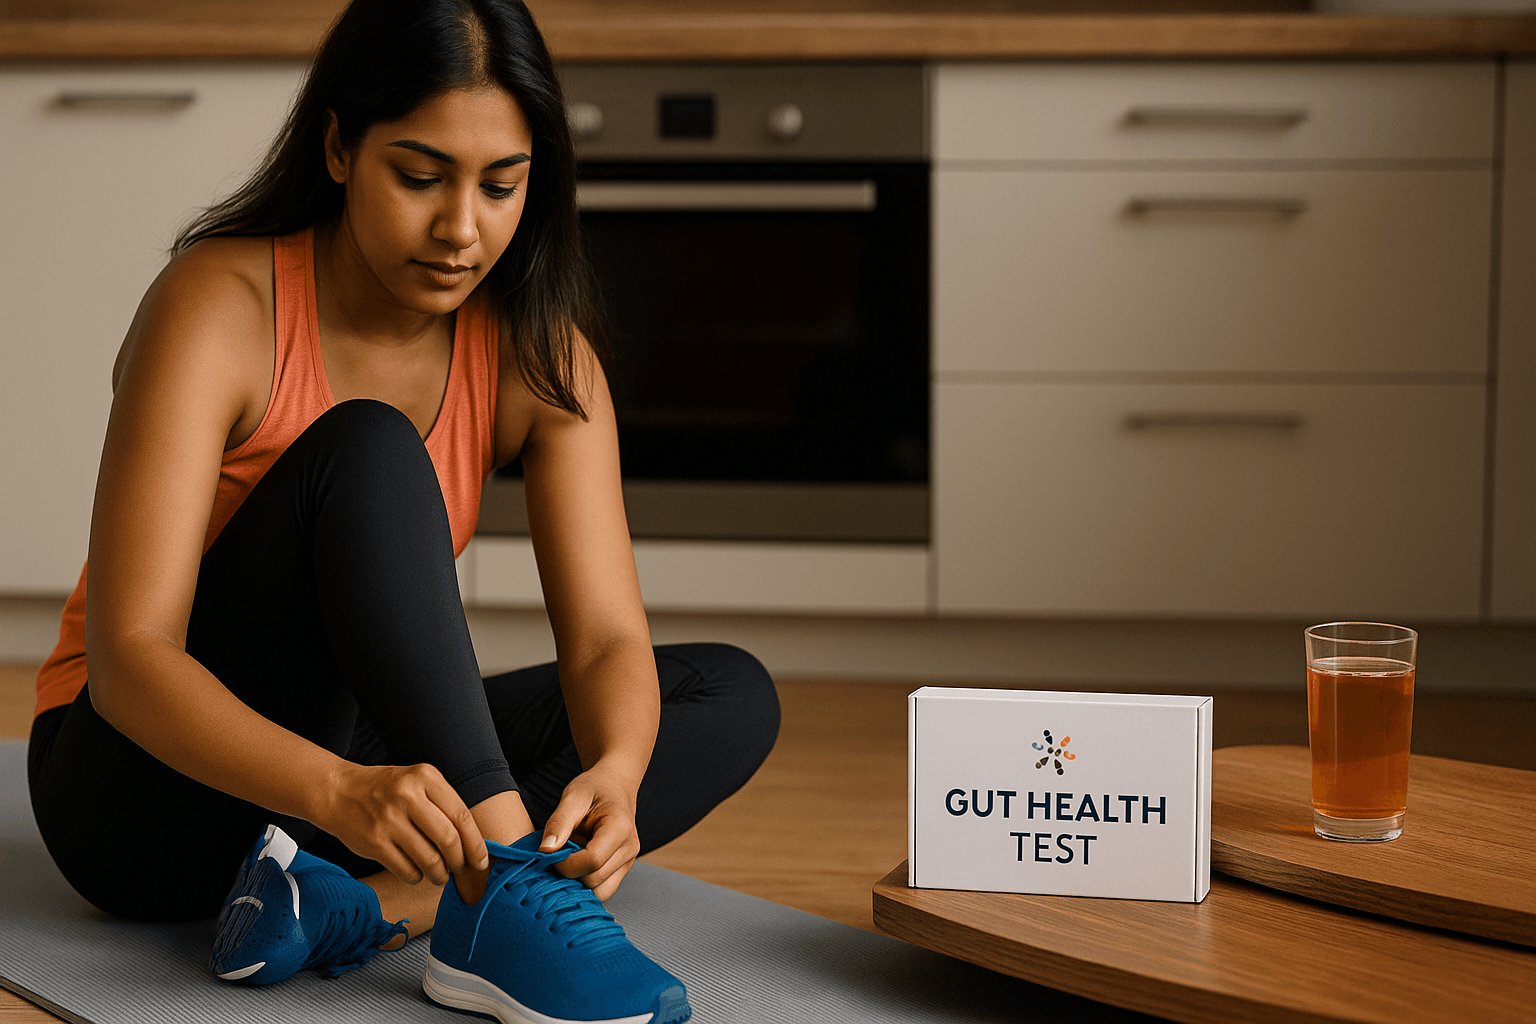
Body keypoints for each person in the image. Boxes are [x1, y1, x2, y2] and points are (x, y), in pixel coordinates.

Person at [25, 1, 779, 1022]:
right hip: (138, 790)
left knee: (722, 695)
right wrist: (339, 790)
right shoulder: (220, 306)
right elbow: (130, 658)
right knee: (369, 443)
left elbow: (605, 637)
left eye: (501, 185)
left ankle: (356, 898)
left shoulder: (538, 356)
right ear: (338, 147)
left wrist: (619, 770)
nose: (462, 228)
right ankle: (499, 887)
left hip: (344, 789)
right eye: (420, 177)